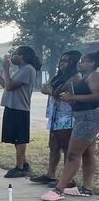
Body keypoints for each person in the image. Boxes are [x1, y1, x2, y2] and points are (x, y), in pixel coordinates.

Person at [42, 52, 99, 201]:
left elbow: (96, 96)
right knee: (87, 153)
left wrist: (72, 97)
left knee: (73, 154)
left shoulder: (94, 76)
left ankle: (59, 190)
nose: (79, 64)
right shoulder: (85, 77)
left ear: (92, 63)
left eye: (83, 62)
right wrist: (72, 100)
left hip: (89, 118)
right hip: (83, 115)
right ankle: (87, 188)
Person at [30, 51, 81, 184]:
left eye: (66, 61)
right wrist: (52, 91)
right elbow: (44, 88)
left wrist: (51, 91)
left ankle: (68, 179)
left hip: (67, 116)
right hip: (55, 115)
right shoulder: (58, 77)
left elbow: (60, 92)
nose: (62, 64)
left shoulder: (75, 77)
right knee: (53, 145)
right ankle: (50, 174)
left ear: (73, 62)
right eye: (61, 61)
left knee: (65, 146)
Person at [0, 46, 41, 178]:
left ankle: (19, 167)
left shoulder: (28, 69)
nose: (12, 56)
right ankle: (24, 164)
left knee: (20, 139)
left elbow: (9, 85)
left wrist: (7, 69)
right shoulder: (21, 70)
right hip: (12, 106)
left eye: (15, 54)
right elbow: (6, 86)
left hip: (20, 108)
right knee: (15, 138)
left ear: (22, 56)